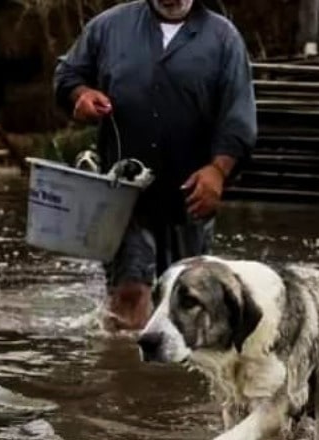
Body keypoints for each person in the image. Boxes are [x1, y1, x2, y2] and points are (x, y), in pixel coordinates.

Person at [54, 0, 257, 331]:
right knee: (130, 291)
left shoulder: (224, 38)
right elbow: (68, 74)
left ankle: (168, 376)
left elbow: (238, 117)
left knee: (183, 302)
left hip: (191, 191)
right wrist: (80, 94)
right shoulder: (109, 27)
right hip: (123, 191)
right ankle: (125, 375)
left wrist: (218, 171)